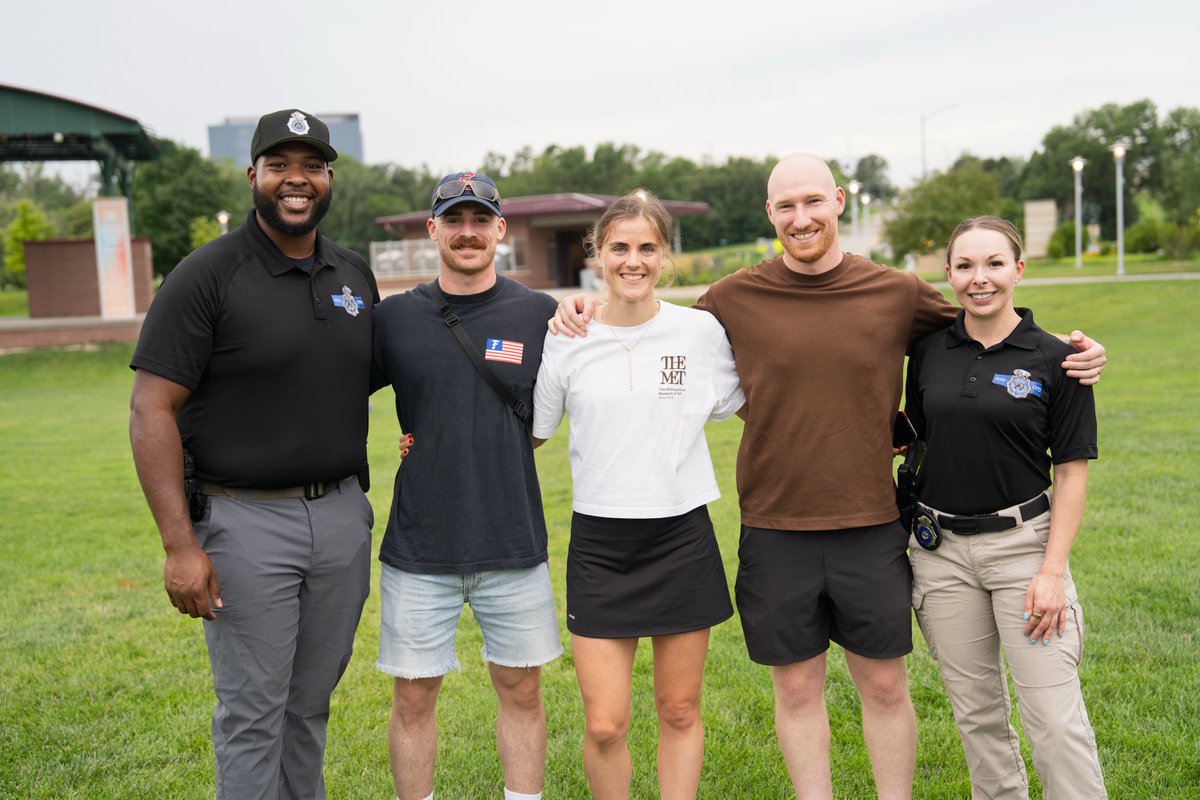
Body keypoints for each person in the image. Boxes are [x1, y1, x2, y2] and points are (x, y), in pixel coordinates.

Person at [549, 153, 1107, 799]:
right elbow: (651, 321)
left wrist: (1070, 355)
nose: (801, 217)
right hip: (774, 526)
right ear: (770, 214)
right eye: (786, 206)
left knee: (884, 686)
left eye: (813, 201)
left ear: (838, 201)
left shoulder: (894, 292)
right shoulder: (731, 298)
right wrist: (581, 311)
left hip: (870, 523)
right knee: (794, 688)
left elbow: (981, 319)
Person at [129, 109, 377, 800]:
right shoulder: (207, 275)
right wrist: (180, 546)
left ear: (329, 178)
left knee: (310, 706)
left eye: (311, 167)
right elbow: (152, 409)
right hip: (243, 524)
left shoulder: (353, 272)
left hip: (338, 519)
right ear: (254, 176)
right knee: (253, 714)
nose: (296, 181)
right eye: (280, 167)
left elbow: (390, 366)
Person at [531, 190, 744, 799]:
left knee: (679, 710)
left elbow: (759, 408)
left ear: (664, 255)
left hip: (680, 536)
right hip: (601, 543)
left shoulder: (699, 331)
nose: (634, 260)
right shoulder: (566, 335)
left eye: (647, 247)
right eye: (619, 247)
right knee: (604, 723)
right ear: (596, 253)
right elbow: (533, 435)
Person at [371, 172, 562, 800]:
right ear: (433, 230)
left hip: (512, 537)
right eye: (455, 220)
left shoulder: (541, 314)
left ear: (501, 229)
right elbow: (331, 393)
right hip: (420, 545)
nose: (468, 232)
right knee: (414, 696)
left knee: (522, 691)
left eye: (481, 220)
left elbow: (566, 404)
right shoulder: (394, 319)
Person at [904, 216, 1106, 799]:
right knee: (979, 719)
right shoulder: (928, 351)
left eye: (994, 264)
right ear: (947, 275)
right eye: (965, 266)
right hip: (940, 556)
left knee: (1053, 719)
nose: (979, 278)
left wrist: (1051, 572)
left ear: (1019, 269)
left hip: (1025, 551)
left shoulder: (1057, 359)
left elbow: (1070, 474)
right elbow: (917, 431)